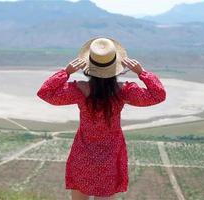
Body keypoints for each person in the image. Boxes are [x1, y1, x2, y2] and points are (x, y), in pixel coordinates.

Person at [37, 37, 166, 200]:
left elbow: (45, 93)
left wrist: (65, 72)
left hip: (83, 153)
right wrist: (142, 73)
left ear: (88, 66)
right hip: (110, 155)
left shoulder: (80, 90)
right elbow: (158, 95)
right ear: (116, 67)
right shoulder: (123, 91)